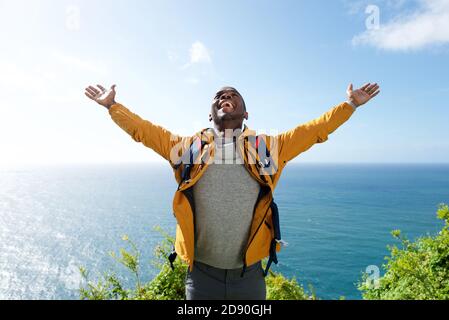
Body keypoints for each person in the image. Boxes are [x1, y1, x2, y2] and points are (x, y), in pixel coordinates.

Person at [85, 82, 380, 300]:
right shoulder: (187, 149)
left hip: (249, 276)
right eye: (219, 97)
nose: (225, 98)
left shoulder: (268, 148)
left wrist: (350, 105)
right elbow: (144, 132)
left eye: (233, 95)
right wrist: (113, 107)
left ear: (246, 112)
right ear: (210, 113)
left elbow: (315, 130)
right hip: (201, 276)